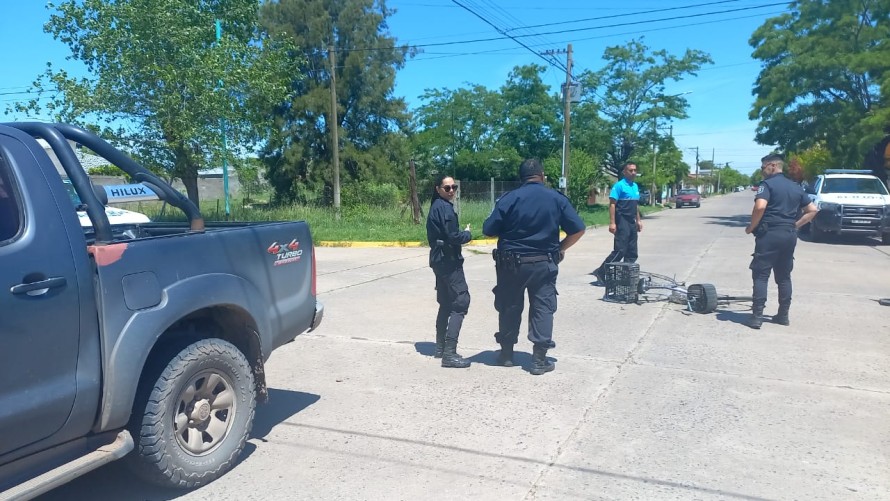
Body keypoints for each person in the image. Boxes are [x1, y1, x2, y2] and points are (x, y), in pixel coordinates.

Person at [482, 159, 586, 375]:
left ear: (521, 178)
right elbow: (578, 229)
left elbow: (489, 230)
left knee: (509, 306)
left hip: (511, 264)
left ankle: (507, 354)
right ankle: (539, 360)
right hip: (543, 263)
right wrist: (560, 249)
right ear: (542, 175)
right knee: (542, 307)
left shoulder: (509, 199)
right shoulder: (556, 198)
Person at [744, 153, 817, 329]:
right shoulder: (796, 187)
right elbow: (812, 210)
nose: (762, 172)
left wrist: (751, 227)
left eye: (763, 168)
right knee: (784, 276)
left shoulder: (767, 185)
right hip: (789, 235)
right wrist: (795, 225)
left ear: (773, 166)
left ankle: (757, 317)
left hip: (770, 234)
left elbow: (760, 206)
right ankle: (783, 315)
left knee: (761, 275)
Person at [426, 174, 472, 368]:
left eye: (454, 187)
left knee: (445, 303)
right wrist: (467, 234)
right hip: (449, 261)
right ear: (438, 189)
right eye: (447, 188)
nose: (452, 190)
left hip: (439, 261)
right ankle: (449, 354)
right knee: (461, 301)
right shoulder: (444, 208)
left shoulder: (436, 207)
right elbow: (453, 236)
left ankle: (440, 347)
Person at [593, 163, 643, 283]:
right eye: (631, 170)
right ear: (625, 172)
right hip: (622, 220)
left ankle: (626, 276)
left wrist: (638, 220)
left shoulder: (635, 186)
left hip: (631, 221)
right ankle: (601, 272)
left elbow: (635, 205)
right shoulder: (619, 186)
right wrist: (612, 223)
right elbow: (612, 204)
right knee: (620, 250)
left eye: (635, 170)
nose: (633, 172)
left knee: (632, 251)